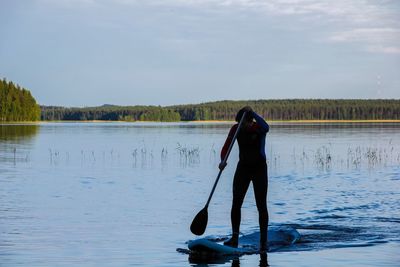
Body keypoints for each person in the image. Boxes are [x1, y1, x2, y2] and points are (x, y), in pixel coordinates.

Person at [219, 106, 270, 252]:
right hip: (243, 169)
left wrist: (253, 112)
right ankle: (235, 237)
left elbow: (267, 127)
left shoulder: (259, 127)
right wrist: (223, 160)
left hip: (259, 169)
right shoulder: (235, 129)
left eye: (243, 123)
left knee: (261, 205)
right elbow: (226, 147)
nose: (241, 126)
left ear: (250, 120)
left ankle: (263, 241)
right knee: (236, 203)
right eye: (239, 123)